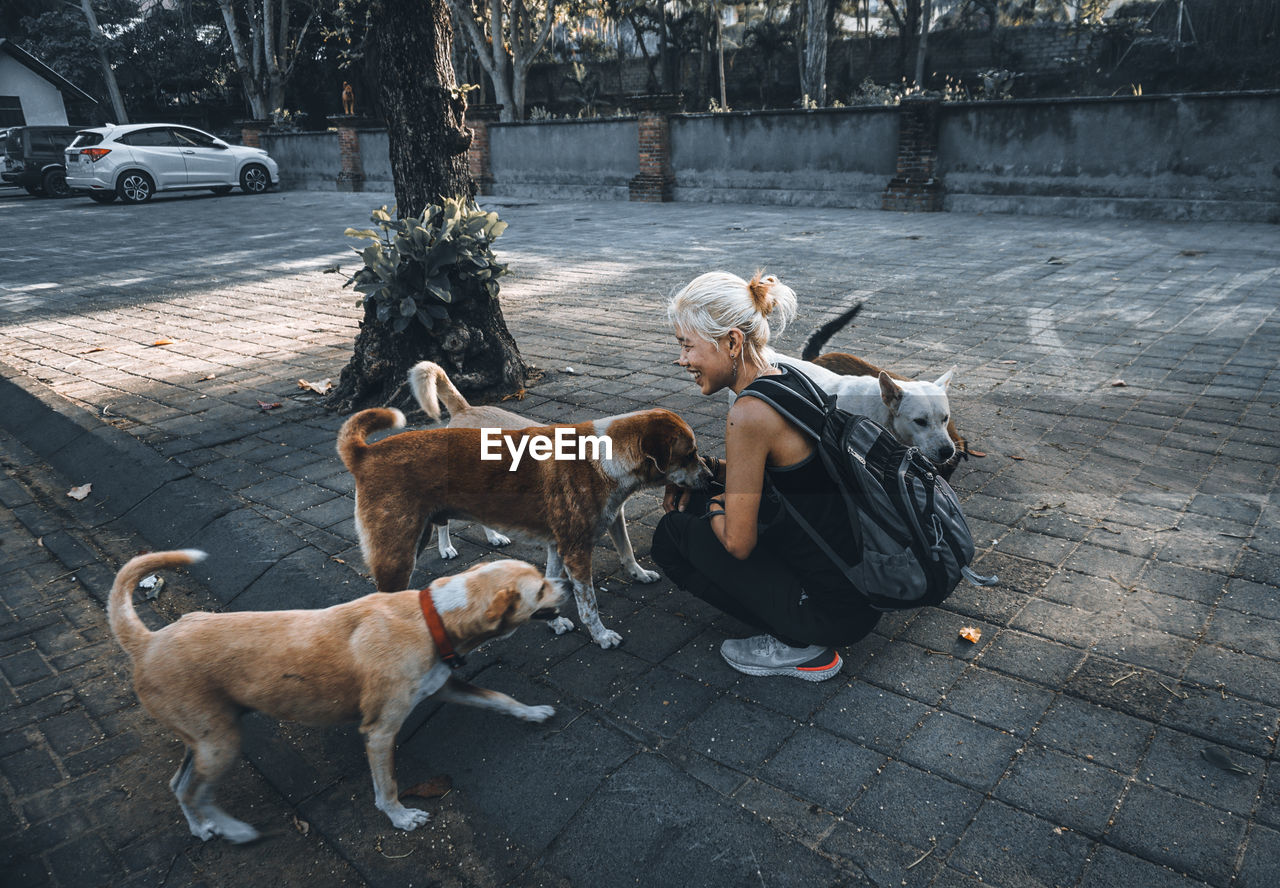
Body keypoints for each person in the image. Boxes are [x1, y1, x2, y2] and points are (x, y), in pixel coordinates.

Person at [652, 271, 881, 681]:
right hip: (861, 586)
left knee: (671, 535)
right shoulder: (789, 379)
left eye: (687, 346)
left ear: (732, 342)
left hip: (833, 612)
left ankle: (798, 642)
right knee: (702, 495)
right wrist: (710, 475)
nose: (681, 359)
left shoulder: (749, 413)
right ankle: (794, 611)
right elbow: (795, 478)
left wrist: (718, 507)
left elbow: (739, 544)